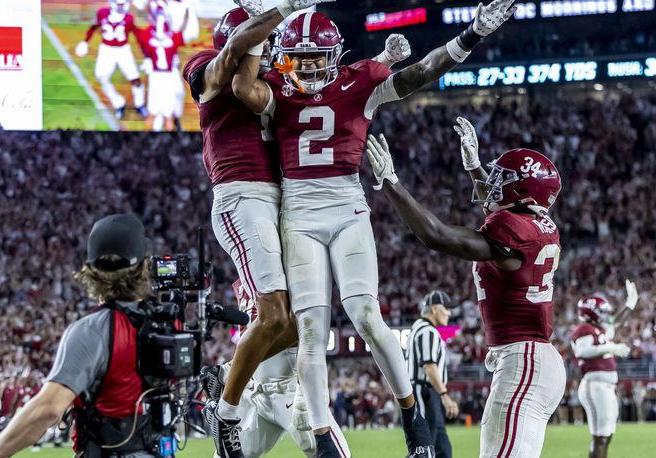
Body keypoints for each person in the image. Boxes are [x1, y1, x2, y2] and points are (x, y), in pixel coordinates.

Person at [231, 1, 515, 455]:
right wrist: (259, 23)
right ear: (284, 56)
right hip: (299, 213)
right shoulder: (276, 89)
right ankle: (323, 438)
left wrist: (472, 33)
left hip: (347, 206)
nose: (306, 66)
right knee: (310, 330)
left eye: (314, 57)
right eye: (298, 57)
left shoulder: (359, 81)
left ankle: (411, 418)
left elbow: (421, 72)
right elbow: (241, 84)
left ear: (334, 55)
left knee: (367, 315)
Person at [180, 2, 334, 456]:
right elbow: (232, 59)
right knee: (272, 315)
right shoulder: (208, 66)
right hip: (241, 194)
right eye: (260, 44)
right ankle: (224, 415)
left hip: (283, 202)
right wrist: (274, 16)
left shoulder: (275, 78)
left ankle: (225, 374)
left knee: (300, 323)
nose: (268, 54)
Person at [364, 117, 566, 458]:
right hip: (533, 360)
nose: (494, 184)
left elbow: (437, 236)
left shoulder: (515, 230)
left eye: (503, 179)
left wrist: (392, 183)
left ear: (522, 190)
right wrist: (473, 167)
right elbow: (499, 204)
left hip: (524, 361)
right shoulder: (536, 224)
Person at [0, 213, 157, 458]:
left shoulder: (93, 330)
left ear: (90, 270)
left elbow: (48, 410)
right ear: (145, 266)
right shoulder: (166, 324)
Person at [210, 280, 351, 458]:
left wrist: (231, 370)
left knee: (334, 454)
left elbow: (298, 323)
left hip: (288, 389)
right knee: (226, 455)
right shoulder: (246, 275)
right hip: (256, 391)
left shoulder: (275, 271)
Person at [570, 281, 639, 458]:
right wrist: (609, 348)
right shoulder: (584, 329)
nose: (605, 315)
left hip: (605, 386)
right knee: (600, 436)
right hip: (595, 385)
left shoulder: (597, 329)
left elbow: (615, 322)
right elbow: (582, 351)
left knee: (607, 435)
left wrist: (630, 304)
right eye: (602, 311)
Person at [75, 0, 148, 120]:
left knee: (135, 79)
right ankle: (119, 103)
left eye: (122, 4)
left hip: (123, 49)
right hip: (106, 50)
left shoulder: (129, 18)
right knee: (101, 77)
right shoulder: (102, 13)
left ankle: (139, 104)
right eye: (119, 4)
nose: (121, 6)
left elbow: (137, 36)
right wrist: (85, 41)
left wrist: (146, 56)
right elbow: (94, 26)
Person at [407, 291, 459, 458]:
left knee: (442, 450)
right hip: (425, 393)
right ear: (435, 308)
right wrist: (445, 395)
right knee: (424, 451)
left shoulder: (419, 328)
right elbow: (429, 367)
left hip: (426, 393)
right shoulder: (427, 331)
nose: (449, 313)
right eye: (447, 308)